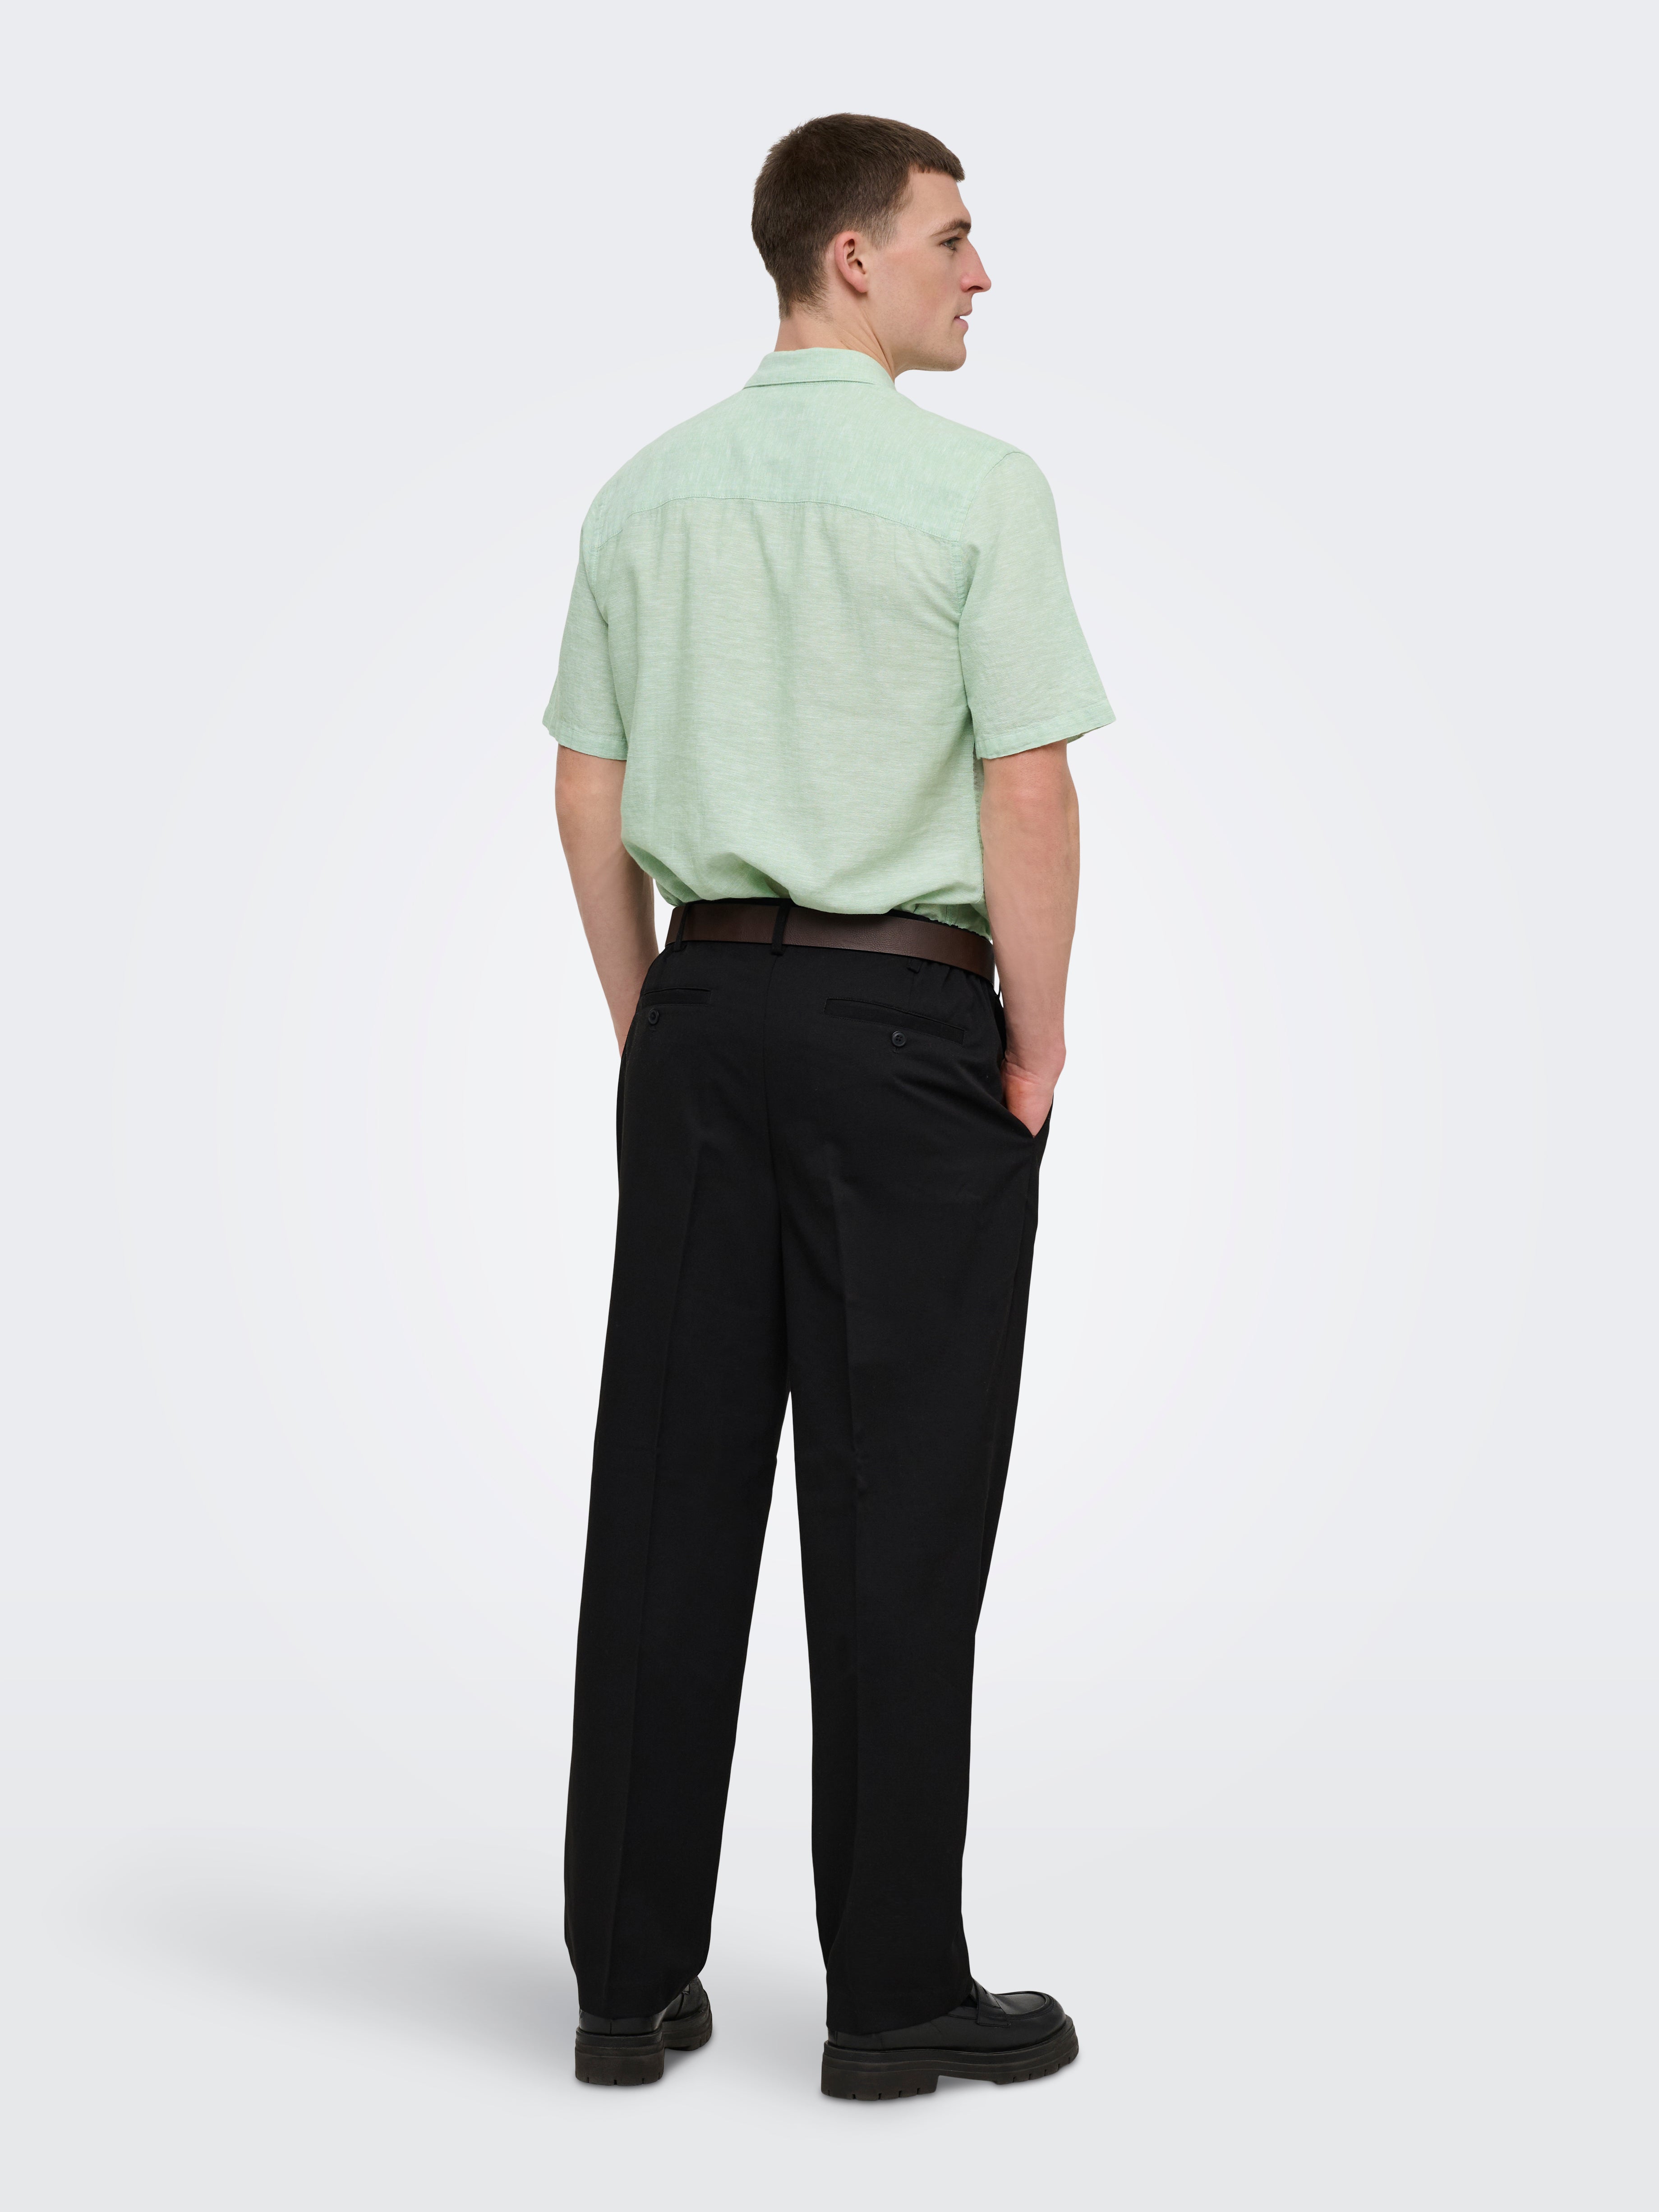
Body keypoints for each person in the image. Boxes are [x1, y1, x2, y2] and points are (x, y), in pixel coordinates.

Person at [546, 112, 1112, 2100]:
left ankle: (626, 1983)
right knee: (898, 1506)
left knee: (667, 1491)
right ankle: (886, 1996)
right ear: (849, 257)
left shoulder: (644, 494)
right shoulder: (975, 491)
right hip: (905, 1028)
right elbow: (1026, 786)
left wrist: (657, 1017)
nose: (981, 272)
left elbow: (591, 790)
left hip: (703, 1013)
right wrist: (1035, 1042)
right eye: (953, 236)